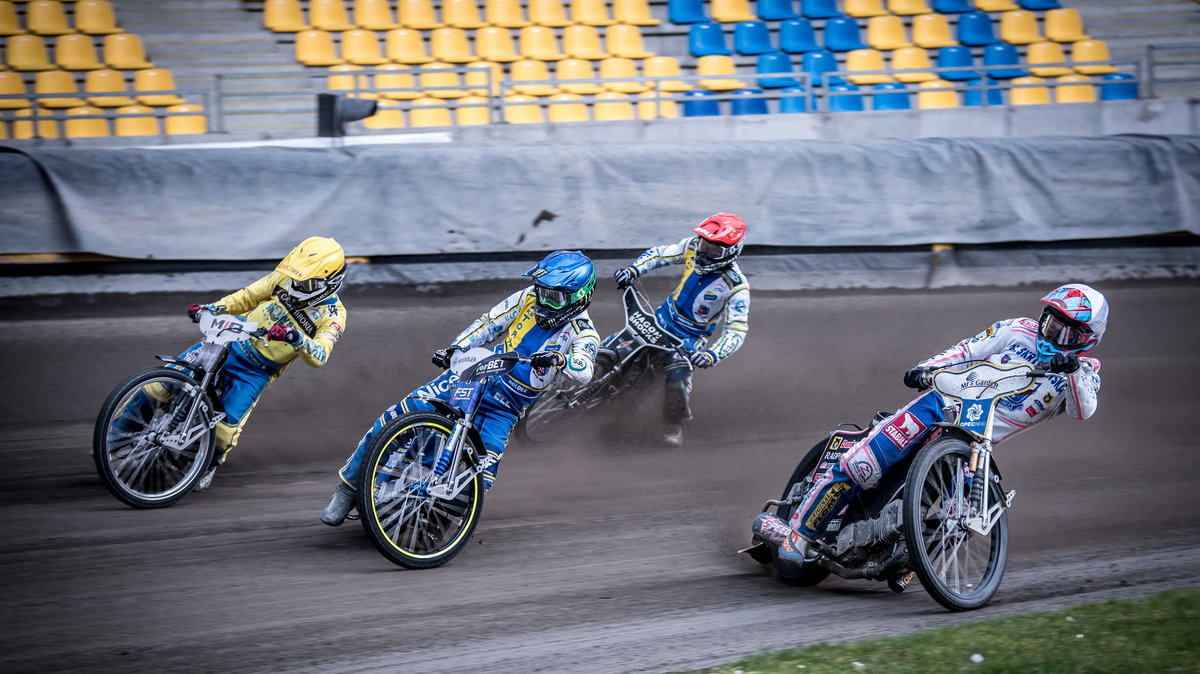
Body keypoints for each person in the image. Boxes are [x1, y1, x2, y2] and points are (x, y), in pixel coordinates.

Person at [752, 283, 1109, 564]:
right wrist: (928, 368)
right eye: (1052, 323)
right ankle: (797, 535)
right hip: (941, 403)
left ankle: (907, 561)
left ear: (1088, 339)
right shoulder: (1017, 328)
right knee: (862, 464)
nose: (1054, 336)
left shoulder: (1085, 374)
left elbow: (1084, 410)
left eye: (1068, 333)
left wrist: (1073, 368)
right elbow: (967, 350)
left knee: (961, 517)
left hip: (972, 444)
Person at [320, 250, 600, 526]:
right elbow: (489, 324)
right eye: (541, 290)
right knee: (401, 413)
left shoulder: (583, 332)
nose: (543, 299)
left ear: (579, 296)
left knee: (480, 480)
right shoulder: (527, 297)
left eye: (553, 296)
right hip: (476, 375)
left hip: (505, 409)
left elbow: (585, 369)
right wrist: (456, 348)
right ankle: (348, 488)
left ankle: (427, 521)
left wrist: (563, 359)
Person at [181, 236, 348, 491]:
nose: (297, 285)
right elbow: (248, 296)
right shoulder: (284, 279)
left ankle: (207, 465)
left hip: (254, 372)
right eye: (297, 276)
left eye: (307, 281)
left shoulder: (334, 315)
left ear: (329, 282)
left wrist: (297, 338)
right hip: (227, 341)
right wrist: (211, 308)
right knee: (160, 384)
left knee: (225, 431)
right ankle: (116, 435)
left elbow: (320, 356)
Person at [612, 213, 750, 446]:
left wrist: (711, 355)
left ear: (730, 251)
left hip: (688, 339)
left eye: (714, 249)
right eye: (705, 244)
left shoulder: (736, 287)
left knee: (678, 373)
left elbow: (737, 330)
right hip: (659, 319)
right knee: (613, 346)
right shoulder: (693, 246)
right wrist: (633, 270)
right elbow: (660, 254)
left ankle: (673, 423)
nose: (705, 252)